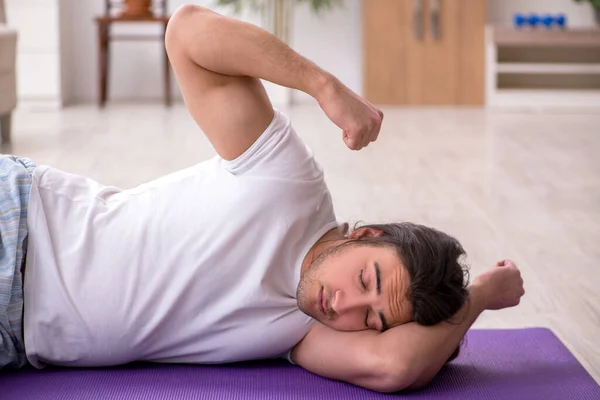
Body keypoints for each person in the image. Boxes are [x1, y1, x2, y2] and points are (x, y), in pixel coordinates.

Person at [0, 4, 525, 393]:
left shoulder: (299, 331)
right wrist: (323, 85)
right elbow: (187, 33)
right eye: (368, 279)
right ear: (366, 234)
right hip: (21, 226)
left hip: (16, 343)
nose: (345, 306)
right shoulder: (288, 182)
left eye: (371, 321)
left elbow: (395, 368)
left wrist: (478, 295)